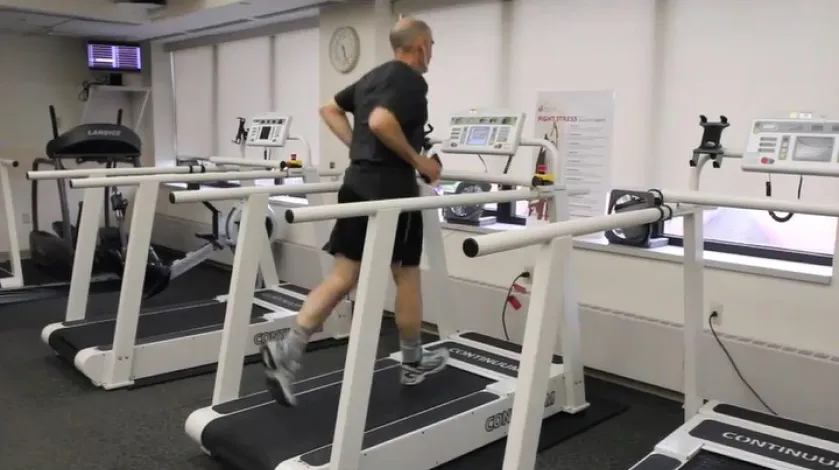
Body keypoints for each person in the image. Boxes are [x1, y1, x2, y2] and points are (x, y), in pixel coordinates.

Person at [260, 17, 447, 407]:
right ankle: (412, 362)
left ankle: (288, 351)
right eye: (431, 45)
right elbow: (380, 122)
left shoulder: (373, 77)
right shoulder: (411, 80)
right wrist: (420, 163)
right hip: (392, 190)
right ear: (419, 46)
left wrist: (359, 149)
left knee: (344, 275)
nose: (432, 52)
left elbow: (329, 109)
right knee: (406, 274)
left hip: (357, 182)